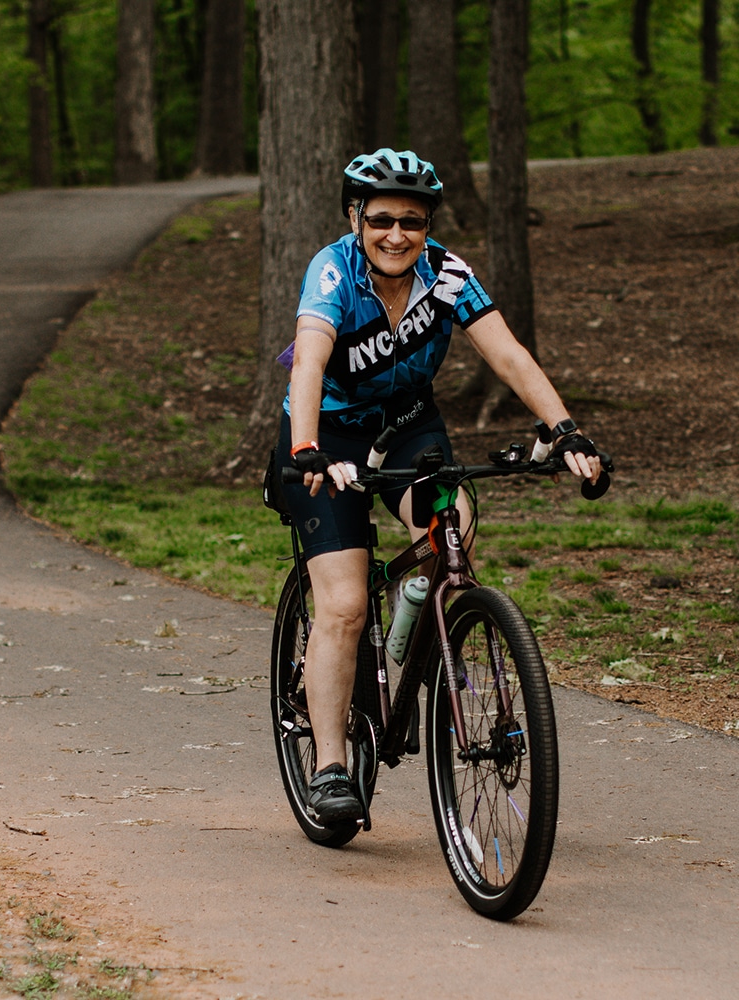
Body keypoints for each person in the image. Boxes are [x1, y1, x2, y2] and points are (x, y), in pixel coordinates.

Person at [276, 148, 603, 826]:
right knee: (341, 603)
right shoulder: (332, 270)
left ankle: (414, 628)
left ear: (428, 227)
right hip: (327, 438)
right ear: (355, 217)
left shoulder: (448, 274)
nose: (397, 235)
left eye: (413, 222)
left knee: (451, 534)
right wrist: (306, 447)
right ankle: (333, 768)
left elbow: (506, 351)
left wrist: (565, 429)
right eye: (383, 220)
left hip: (405, 426)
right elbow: (309, 357)